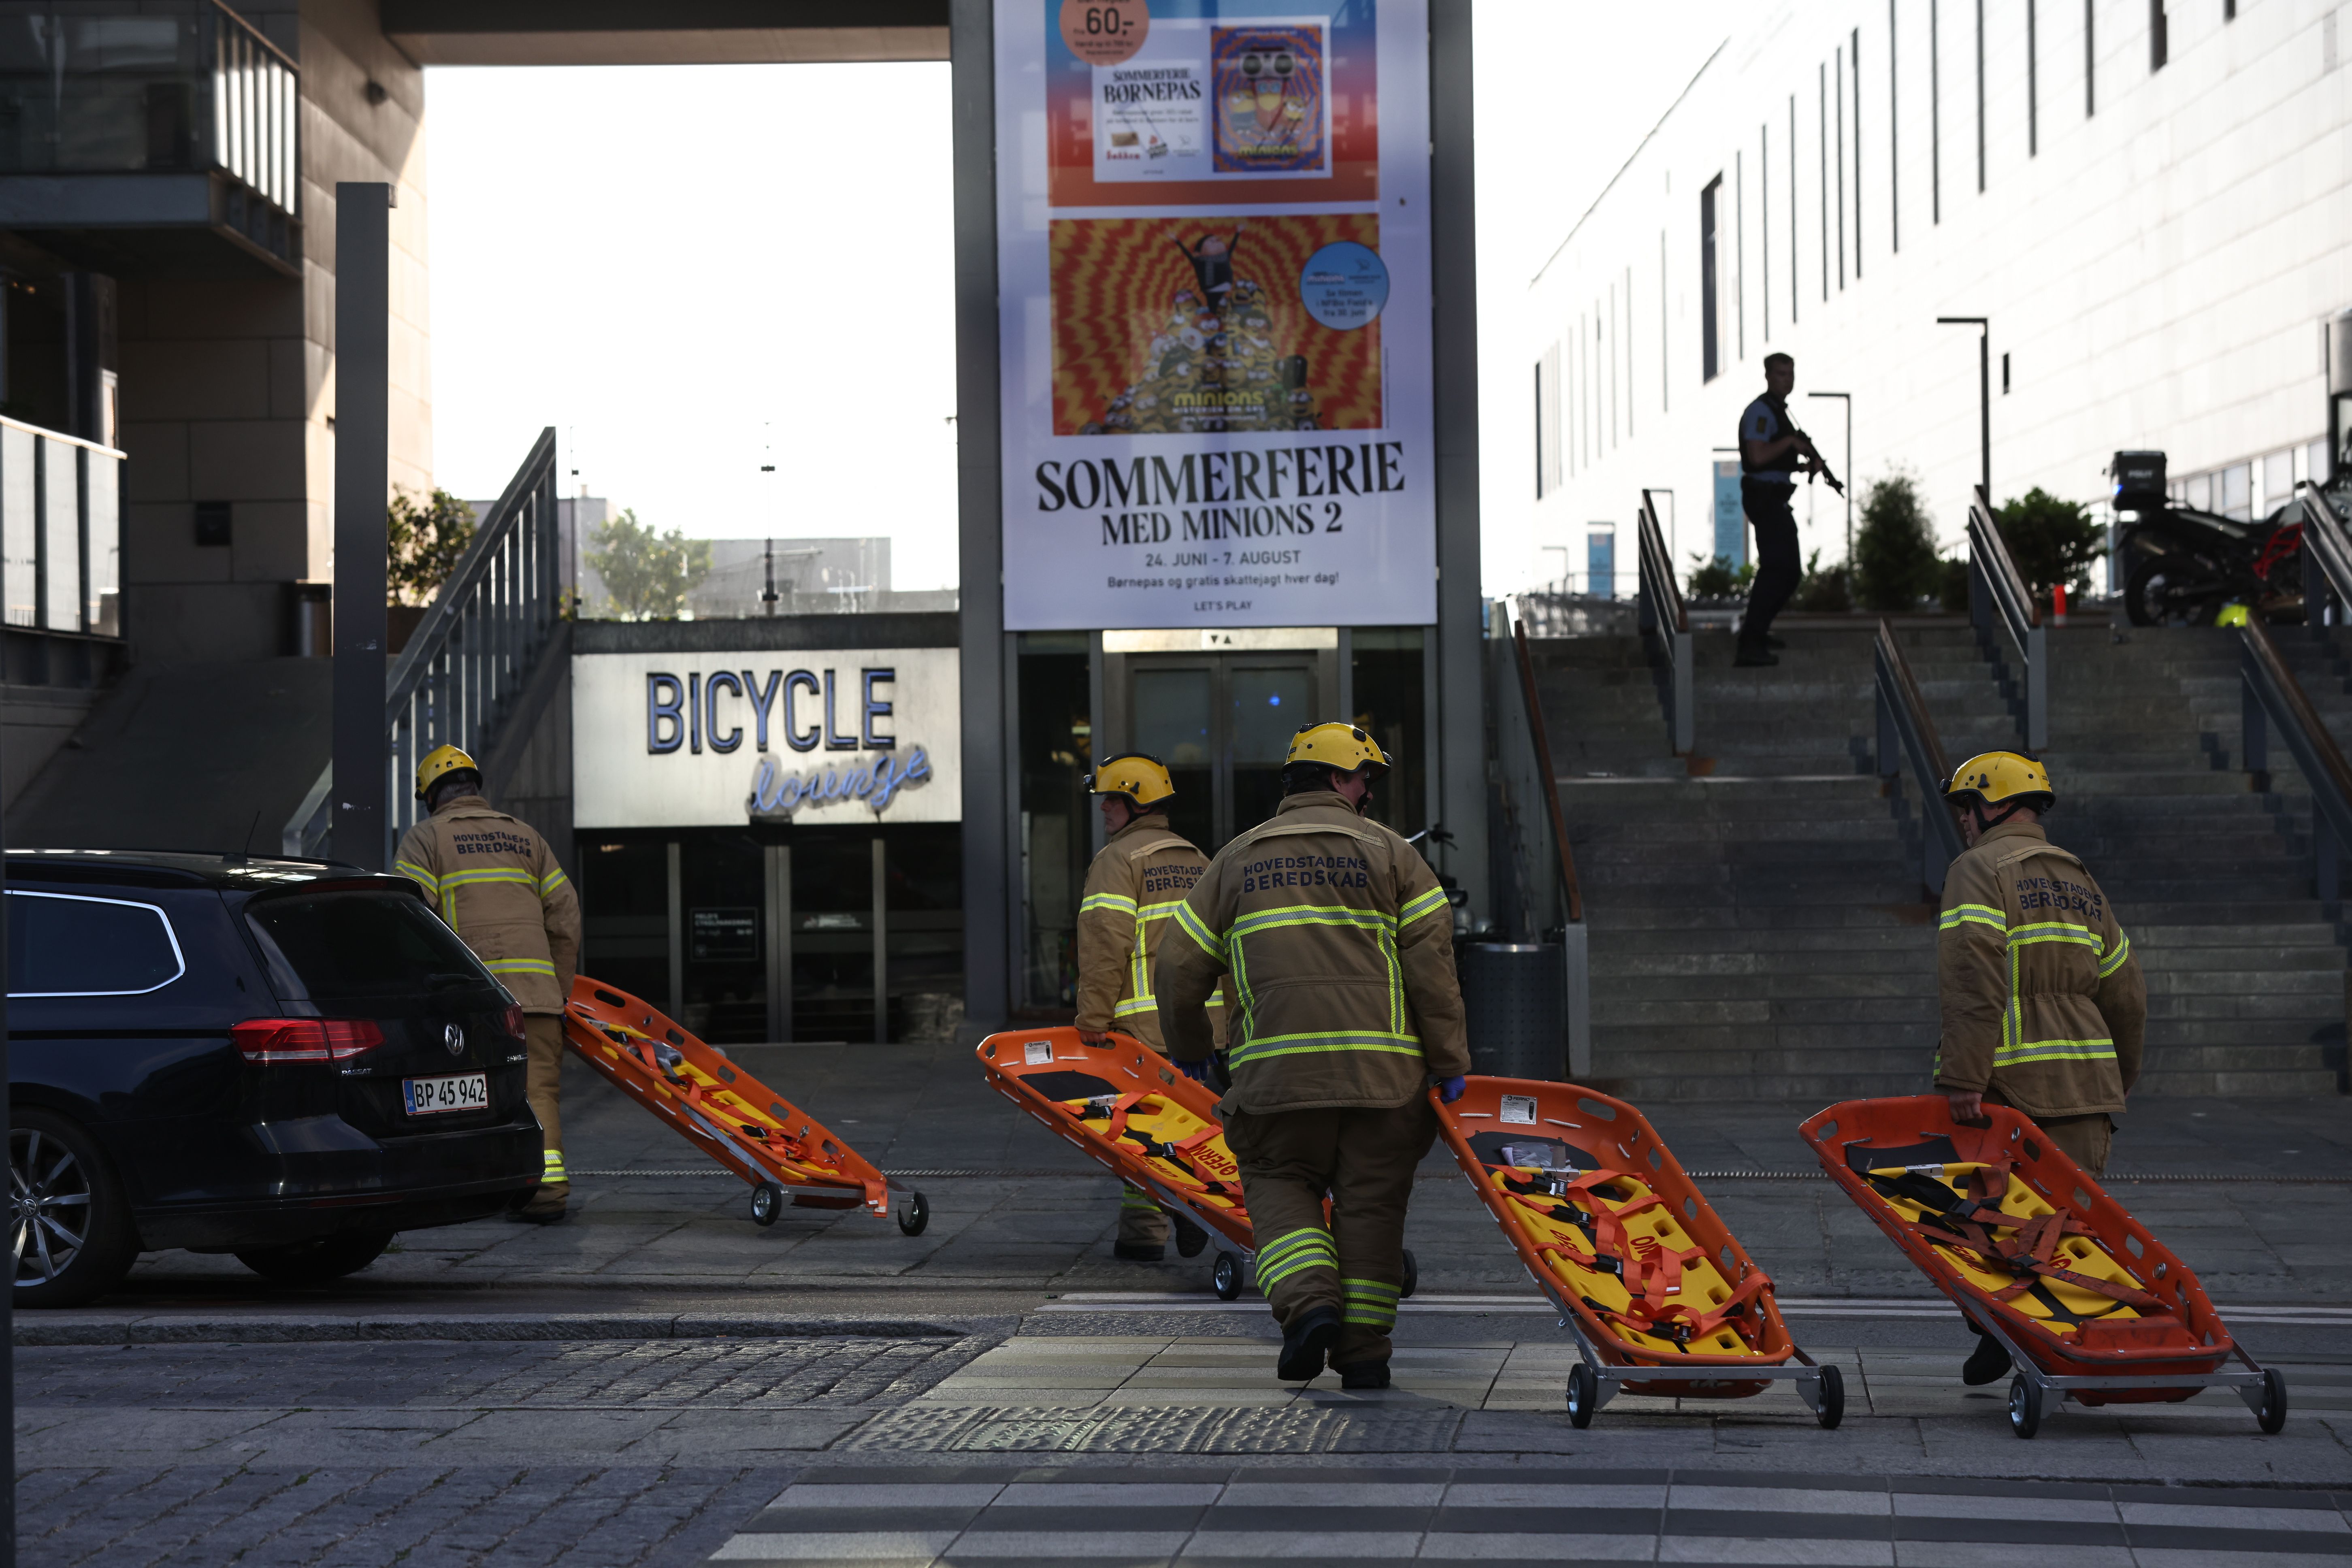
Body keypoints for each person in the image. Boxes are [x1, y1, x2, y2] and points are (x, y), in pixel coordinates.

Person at [1158, 722, 1470, 1390]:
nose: (1367, 793)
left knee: (1277, 1186)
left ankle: (1308, 1308)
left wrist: (1192, 1051)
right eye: (1364, 779)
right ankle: (1363, 1357)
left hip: (1275, 1083)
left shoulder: (1234, 861)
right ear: (1336, 778)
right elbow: (1433, 970)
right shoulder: (1393, 856)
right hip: (1384, 1084)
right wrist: (1448, 1063)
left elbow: (1177, 966)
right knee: (1371, 1209)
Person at [1935, 750, 2147, 1384]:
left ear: (1991, 804)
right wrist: (2118, 1076)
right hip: (2087, 1089)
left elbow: (1974, 977)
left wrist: (1966, 1077)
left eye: (1965, 808)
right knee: (2068, 1234)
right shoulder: (2079, 880)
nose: (1963, 822)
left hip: (2006, 1090)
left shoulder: (1977, 871)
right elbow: (2126, 992)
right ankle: (2067, 1345)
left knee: (1976, 1227)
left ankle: (2001, 1332)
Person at [395, 745, 582, 1225]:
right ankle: (546, 1192)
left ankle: (458, 1192)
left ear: (431, 795)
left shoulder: (426, 838)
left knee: (456, 1094)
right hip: (536, 999)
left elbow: (410, 919)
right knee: (537, 1092)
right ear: (475, 787)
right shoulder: (527, 837)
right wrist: (555, 989)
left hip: (471, 1003)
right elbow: (565, 914)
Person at [1074, 752, 1221, 1263]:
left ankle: (1172, 1214)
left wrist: (1092, 1019)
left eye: (1113, 798)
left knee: (1138, 1133)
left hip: (1143, 1029)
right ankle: (1143, 1233)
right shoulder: (1199, 859)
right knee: (1186, 1131)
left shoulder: (1118, 861)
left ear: (1138, 801)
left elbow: (1104, 945)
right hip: (1202, 1030)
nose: (1105, 808)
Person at [1735, 351, 1828, 667]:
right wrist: (1791, 443)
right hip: (1764, 497)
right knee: (1778, 569)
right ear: (1768, 376)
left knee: (1788, 572)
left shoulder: (1780, 412)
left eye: (1790, 374)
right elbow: (1758, 457)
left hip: (1774, 496)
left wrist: (1805, 465)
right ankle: (1751, 641)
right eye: (1780, 374)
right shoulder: (1762, 412)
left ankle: (1757, 632)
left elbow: (1776, 461)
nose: (1786, 380)